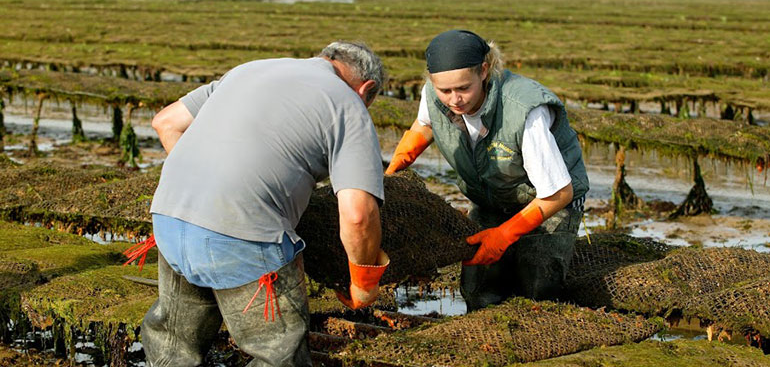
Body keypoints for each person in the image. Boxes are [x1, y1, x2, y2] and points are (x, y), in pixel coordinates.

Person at [136, 42, 389, 366]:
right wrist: (363, 284)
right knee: (278, 353)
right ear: (366, 89)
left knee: (174, 349)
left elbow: (166, 122)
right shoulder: (348, 104)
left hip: (169, 220)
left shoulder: (250, 69)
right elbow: (357, 215)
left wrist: (214, 190)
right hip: (242, 239)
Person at [386, 30, 588, 311]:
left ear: (484, 70)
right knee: (478, 286)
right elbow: (425, 125)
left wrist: (505, 235)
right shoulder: (433, 94)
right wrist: (396, 166)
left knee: (538, 285)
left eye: (463, 88)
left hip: (549, 199)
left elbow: (558, 192)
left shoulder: (524, 111)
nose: (454, 99)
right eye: (445, 91)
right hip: (492, 193)